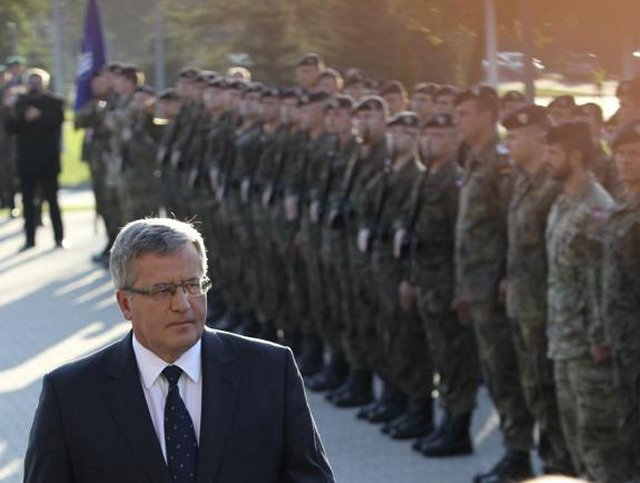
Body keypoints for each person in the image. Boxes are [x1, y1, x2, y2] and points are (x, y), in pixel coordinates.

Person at [24, 217, 335, 483]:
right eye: (163, 291)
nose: (183, 304)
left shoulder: (270, 372)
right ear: (125, 303)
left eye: (192, 285)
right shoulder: (70, 395)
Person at [452, 88, 535, 483]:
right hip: (477, 286)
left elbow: (510, 226)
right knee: (495, 370)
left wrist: (504, 276)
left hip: (496, 289)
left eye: (466, 114)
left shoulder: (500, 164)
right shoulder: (474, 159)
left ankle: (519, 454)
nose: (459, 121)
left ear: (488, 116)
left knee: (505, 373)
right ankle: (512, 451)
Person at [545, 122, 629, 482]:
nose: (548, 160)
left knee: (600, 442)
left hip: (588, 347)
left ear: (575, 157)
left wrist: (599, 338)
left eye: (554, 153)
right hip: (563, 339)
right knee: (575, 437)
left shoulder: (597, 208)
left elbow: (603, 281)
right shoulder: (563, 200)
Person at [502, 105, 574, 475]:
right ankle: (544, 464)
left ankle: (560, 469)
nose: (509, 144)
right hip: (524, 307)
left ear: (537, 137)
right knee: (534, 392)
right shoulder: (522, 182)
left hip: (550, 313)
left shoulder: (554, 186)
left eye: (515, 137)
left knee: (553, 397)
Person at [5, 67, 65, 250]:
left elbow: (58, 121)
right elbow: (10, 128)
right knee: (27, 202)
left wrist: (39, 116)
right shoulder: (20, 103)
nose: (34, 85)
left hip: (48, 160)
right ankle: (29, 239)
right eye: (31, 81)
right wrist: (11, 108)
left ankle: (59, 238)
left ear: (44, 83)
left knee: (53, 201)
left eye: (37, 81)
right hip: (26, 161)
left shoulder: (54, 102)